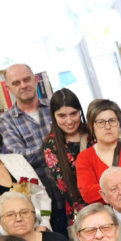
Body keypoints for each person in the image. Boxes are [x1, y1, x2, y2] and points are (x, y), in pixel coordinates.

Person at [76, 99, 121, 205]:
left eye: (112, 121)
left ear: (119, 123)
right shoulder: (85, 158)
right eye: (101, 122)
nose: (107, 127)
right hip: (108, 217)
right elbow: (88, 194)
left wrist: (108, 191)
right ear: (91, 127)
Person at [40, 88, 90, 231]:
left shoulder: (92, 133)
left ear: (80, 111)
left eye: (74, 113)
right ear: (53, 116)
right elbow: (66, 190)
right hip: (82, 214)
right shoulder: (51, 145)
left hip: (111, 203)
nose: (69, 121)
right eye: (62, 115)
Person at [0, 64, 52, 168]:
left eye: (27, 80)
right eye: (16, 83)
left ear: (36, 80)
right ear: (8, 88)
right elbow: (19, 158)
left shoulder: (54, 107)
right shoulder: (5, 121)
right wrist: (57, 146)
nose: (23, 85)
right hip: (38, 183)